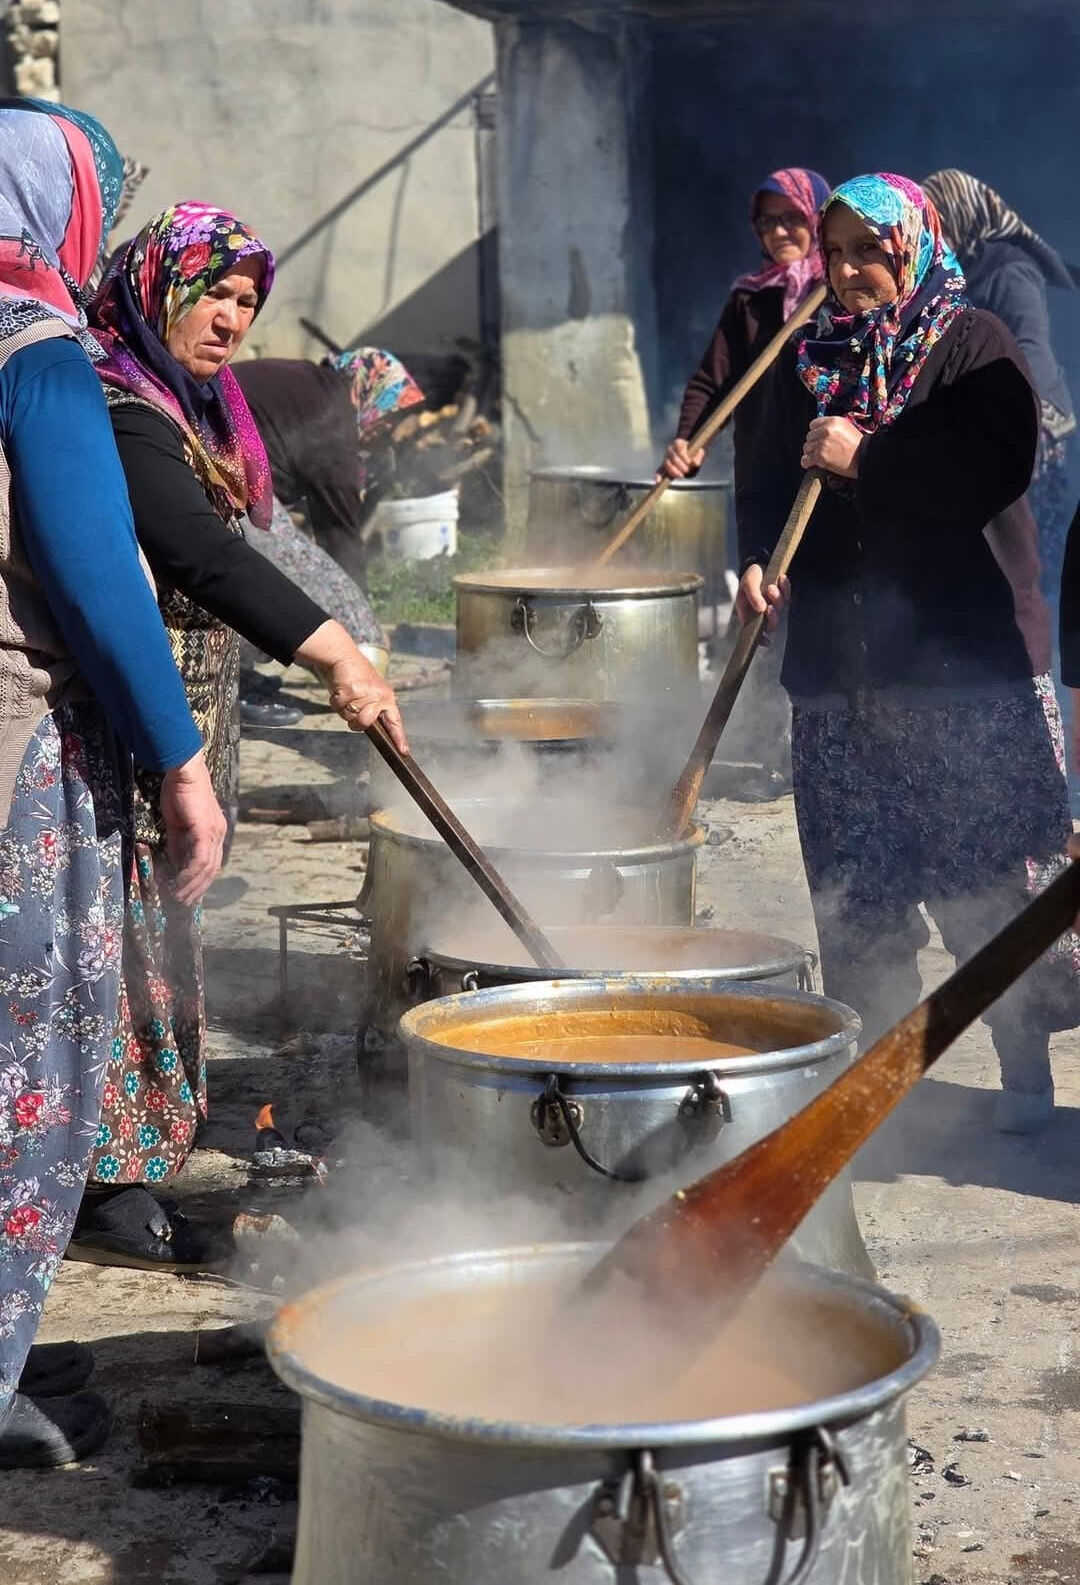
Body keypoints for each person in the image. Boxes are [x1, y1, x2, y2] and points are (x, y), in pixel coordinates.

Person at [68, 204, 405, 1268]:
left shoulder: (200, 408)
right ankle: (101, 1177)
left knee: (166, 935)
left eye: (248, 300)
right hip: (125, 726)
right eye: (211, 290)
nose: (230, 318)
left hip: (190, 716)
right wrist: (335, 656)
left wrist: (354, 627)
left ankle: (146, 1138)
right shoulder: (121, 407)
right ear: (154, 284)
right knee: (116, 940)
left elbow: (261, 545)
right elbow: (196, 555)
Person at [736, 172, 1080, 1136]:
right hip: (838, 679)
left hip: (962, 670)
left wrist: (867, 461)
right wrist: (756, 565)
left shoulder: (974, 345)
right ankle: (880, 1091)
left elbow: (996, 467)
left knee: (989, 887)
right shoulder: (810, 357)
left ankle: (1024, 1070)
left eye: (865, 252)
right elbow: (761, 482)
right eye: (833, 253)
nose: (846, 272)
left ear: (912, 247)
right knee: (859, 892)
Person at [0, 102, 225, 1467]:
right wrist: (181, 759)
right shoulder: (33, 348)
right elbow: (94, 570)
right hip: (18, 760)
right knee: (28, 1072)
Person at [923, 170, 1076, 606]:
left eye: (939, 224)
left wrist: (1018, 422)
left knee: (1027, 556)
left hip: (1032, 428)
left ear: (962, 215)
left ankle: (1042, 659)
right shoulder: (955, 274)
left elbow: (1028, 347)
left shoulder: (1008, 268)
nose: (933, 238)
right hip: (978, 427)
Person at [659, 167, 831, 491]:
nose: (779, 232)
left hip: (825, 475)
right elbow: (713, 382)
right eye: (768, 222)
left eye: (792, 218)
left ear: (816, 218)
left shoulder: (840, 291)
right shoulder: (748, 298)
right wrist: (689, 442)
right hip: (761, 473)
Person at [233, 345, 424, 578]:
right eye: (389, 414)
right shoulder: (334, 419)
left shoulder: (312, 382)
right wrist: (357, 606)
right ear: (370, 388)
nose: (388, 429)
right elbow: (339, 535)